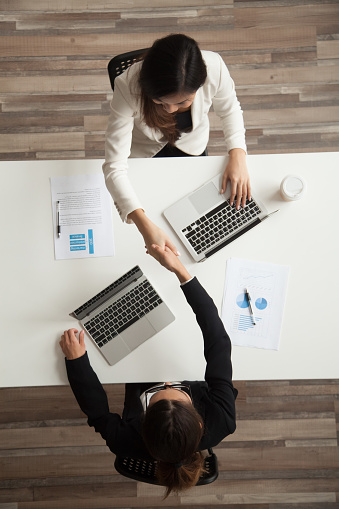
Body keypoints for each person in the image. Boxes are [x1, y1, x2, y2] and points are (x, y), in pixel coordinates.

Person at [60, 244, 238, 497]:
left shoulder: (125, 442)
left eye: (157, 395)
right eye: (175, 393)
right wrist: (181, 271)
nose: (166, 383)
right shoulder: (223, 420)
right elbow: (218, 340)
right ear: (199, 420)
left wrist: (76, 361)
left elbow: (98, 415)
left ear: (143, 424)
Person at [103, 33, 251, 258]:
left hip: (192, 146)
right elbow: (114, 166)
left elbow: (230, 109)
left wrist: (238, 155)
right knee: (151, 204)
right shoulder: (126, 86)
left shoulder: (215, 67)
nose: (171, 110)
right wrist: (145, 226)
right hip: (146, 152)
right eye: (160, 102)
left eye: (183, 102)